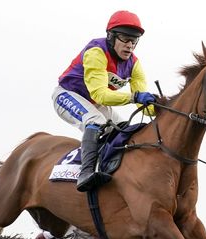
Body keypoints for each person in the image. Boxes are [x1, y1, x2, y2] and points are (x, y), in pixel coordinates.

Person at [52, 10, 157, 192]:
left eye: (134, 40)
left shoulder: (135, 64)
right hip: (67, 95)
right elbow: (101, 95)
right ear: (111, 36)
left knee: (124, 128)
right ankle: (85, 173)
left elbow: (143, 106)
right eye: (125, 38)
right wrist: (134, 97)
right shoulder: (96, 52)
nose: (130, 45)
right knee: (96, 122)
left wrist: (162, 107)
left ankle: (110, 167)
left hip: (93, 103)